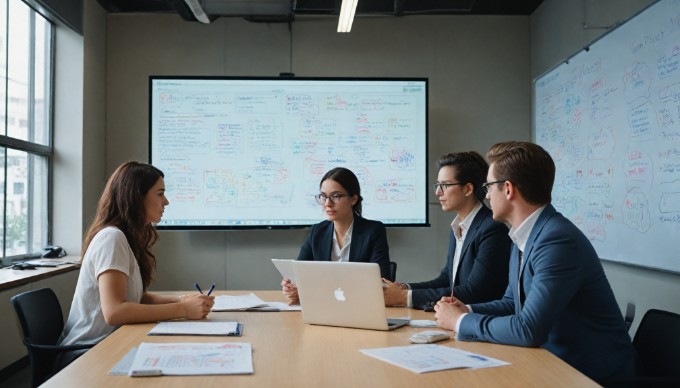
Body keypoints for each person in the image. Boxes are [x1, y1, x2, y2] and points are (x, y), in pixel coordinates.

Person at [434, 141, 637, 381]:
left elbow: (528, 329)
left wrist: (460, 321)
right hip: (552, 365)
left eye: (489, 186)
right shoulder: (524, 234)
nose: (486, 194)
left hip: (590, 376)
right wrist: (466, 309)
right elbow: (512, 303)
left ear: (508, 189)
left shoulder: (557, 240)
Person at [59, 161, 214, 350]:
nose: (166, 201)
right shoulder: (111, 238)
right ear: (136, 197)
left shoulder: (125, 237)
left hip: (110, 343)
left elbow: (138, 299)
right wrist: (183, 310)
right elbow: (115, 312)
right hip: (87, 352)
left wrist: (182, 300)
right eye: (160, 194)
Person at [383, 151, 511, 309]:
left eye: (445, 185)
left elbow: (475, 292)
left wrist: (404, 298)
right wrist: (404, 288)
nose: (438, 192)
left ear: (468, 189)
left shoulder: (492, 229)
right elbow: (446, 280)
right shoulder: (458, 226)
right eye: (438, 185)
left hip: (477, 321)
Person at [281, 167, 390, 305]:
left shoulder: (373, 230)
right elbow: (299, 274)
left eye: (336, 196)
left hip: (359, 306)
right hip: (324, 307)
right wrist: (293, 287)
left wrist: (313, 289)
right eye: (323, 196)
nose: (327, 204)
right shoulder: (317, 232)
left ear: (353, 199)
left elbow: (382, 281)